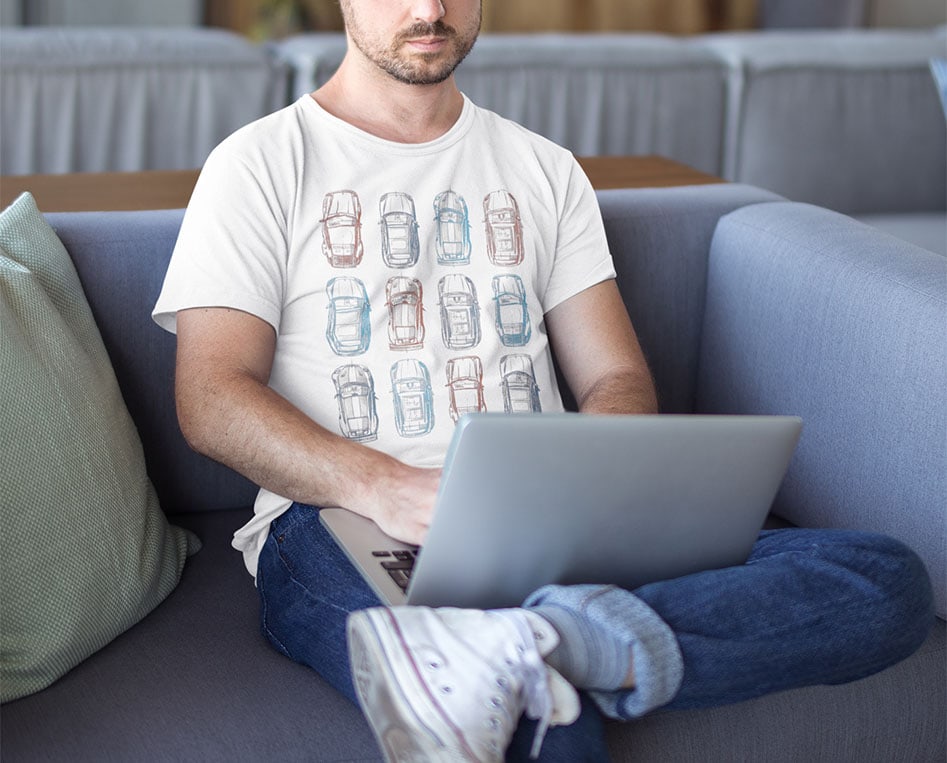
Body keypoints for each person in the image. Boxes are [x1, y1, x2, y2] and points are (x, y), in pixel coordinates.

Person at [152, 1, 934, 760]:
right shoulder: (257, 164)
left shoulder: (541, 168)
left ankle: (547, 637)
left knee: (885, 578)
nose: (429, 9)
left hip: (546, 520)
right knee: (527, 715)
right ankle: (563, 645)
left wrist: (589, 479)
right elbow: (212, 397)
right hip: (340, 518)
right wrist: (385, 484)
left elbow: (617, 375)